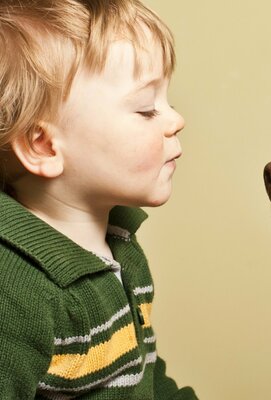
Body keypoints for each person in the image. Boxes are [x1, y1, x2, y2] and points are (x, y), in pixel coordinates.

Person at [0, 0, 198, 398]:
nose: (175, 120)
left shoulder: (119, 241)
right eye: (145, 109)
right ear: (43, 146)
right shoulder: (15, 293)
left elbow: (145, 375)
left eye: (166, 102)